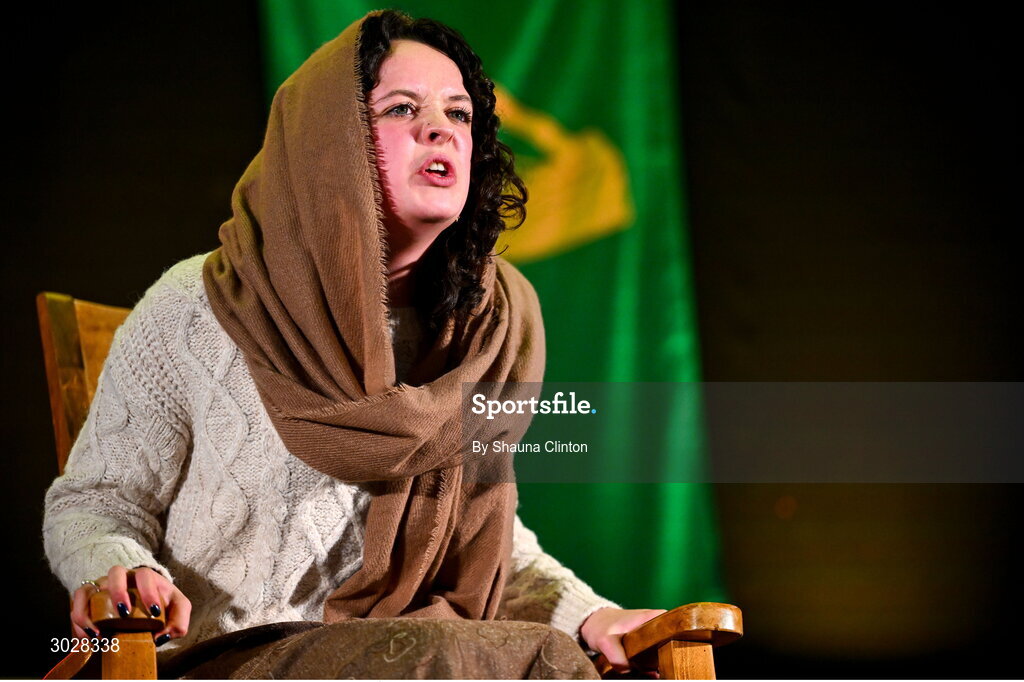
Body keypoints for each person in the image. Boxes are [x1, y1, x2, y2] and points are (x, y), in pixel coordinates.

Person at [44, 10, 663, 677]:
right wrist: (121, 570)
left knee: (539, 657)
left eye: (458, 114)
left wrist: (589, 614)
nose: (439, 130)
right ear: (325, 142)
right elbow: (96, 501)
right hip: (232, 658)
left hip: (424, 657)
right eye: (402, 109)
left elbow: (486, 544)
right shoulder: (201, 306)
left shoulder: (486, 330)